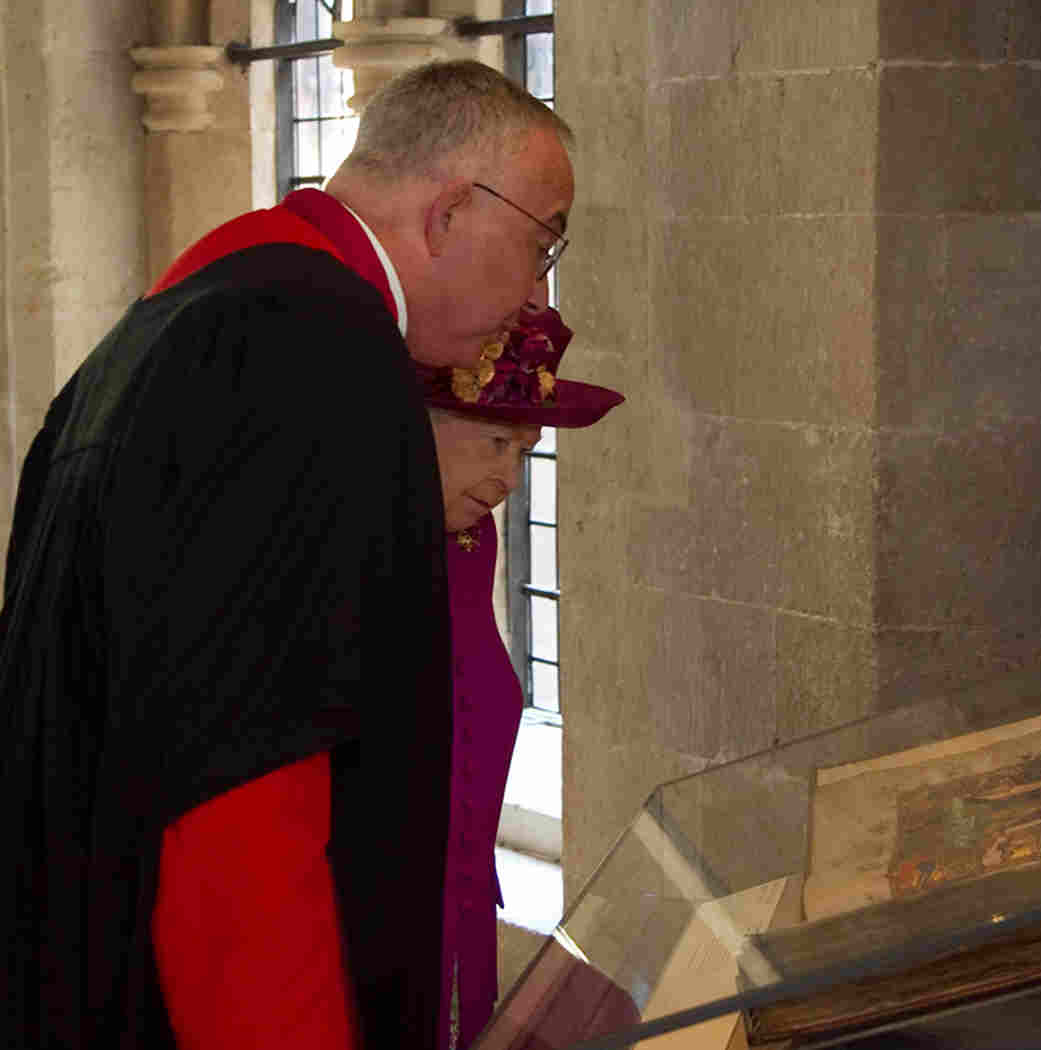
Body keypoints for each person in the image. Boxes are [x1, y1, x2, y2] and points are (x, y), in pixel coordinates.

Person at [0, 59, 595, 1050]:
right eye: (541, 244)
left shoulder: (206, 314)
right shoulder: (306, 349)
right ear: (450, 211)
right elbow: (242, 804)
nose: (537, 292)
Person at [414, 302, 621, 1050]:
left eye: (524, 451)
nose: (509, 476)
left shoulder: (468, 537)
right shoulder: (347, 558)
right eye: (497, 441)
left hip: (463, 901)